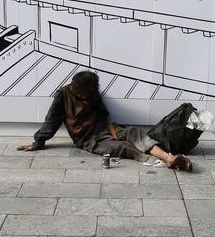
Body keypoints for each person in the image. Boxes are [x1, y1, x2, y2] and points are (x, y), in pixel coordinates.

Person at [17, 71, 192, 171]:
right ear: (77, 90)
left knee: (134, 132)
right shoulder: (62, 95)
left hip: (105, 128)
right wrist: (38, 142)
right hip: (87, 139)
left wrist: (111, 128)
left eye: (89, 94)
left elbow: (102, 112)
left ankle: (169, 158)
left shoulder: (92, 91)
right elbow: (51, 122)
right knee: (121, 147)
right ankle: (155, 160)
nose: (87, 97)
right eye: (84, 95)